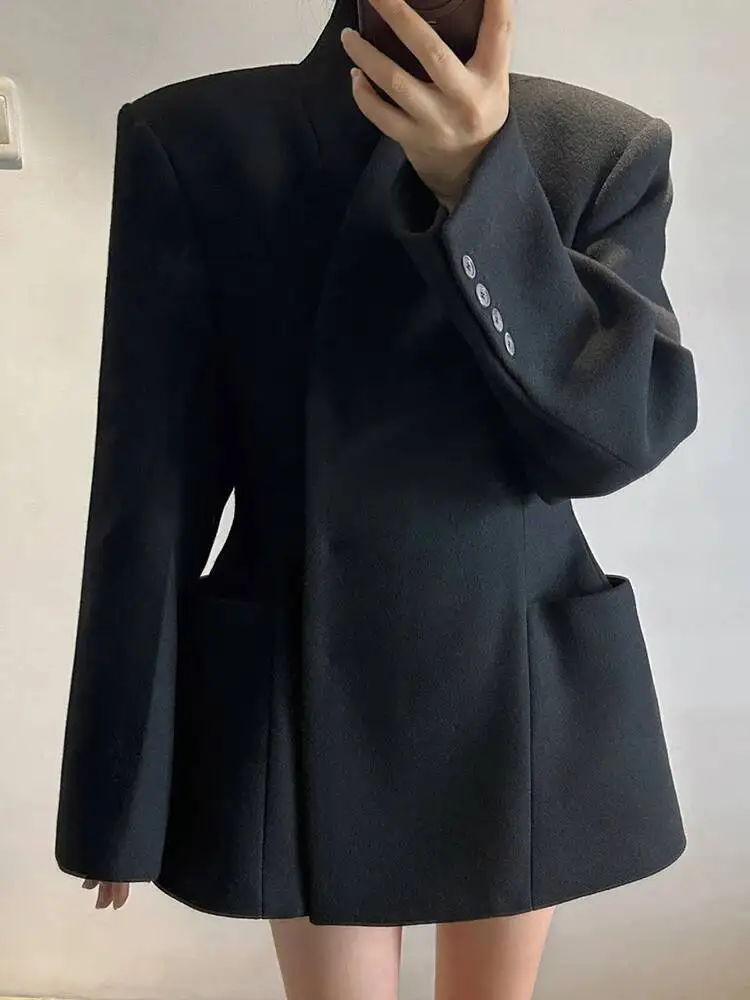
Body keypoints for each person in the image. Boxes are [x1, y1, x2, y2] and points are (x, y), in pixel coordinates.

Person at [55, 0, 699, 998]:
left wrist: (482, 187)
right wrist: (118, 794)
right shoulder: (198, 141)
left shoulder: (601, 151)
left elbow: (614, 439)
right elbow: (148, 493)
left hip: (515, 686)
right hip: (296, 677)